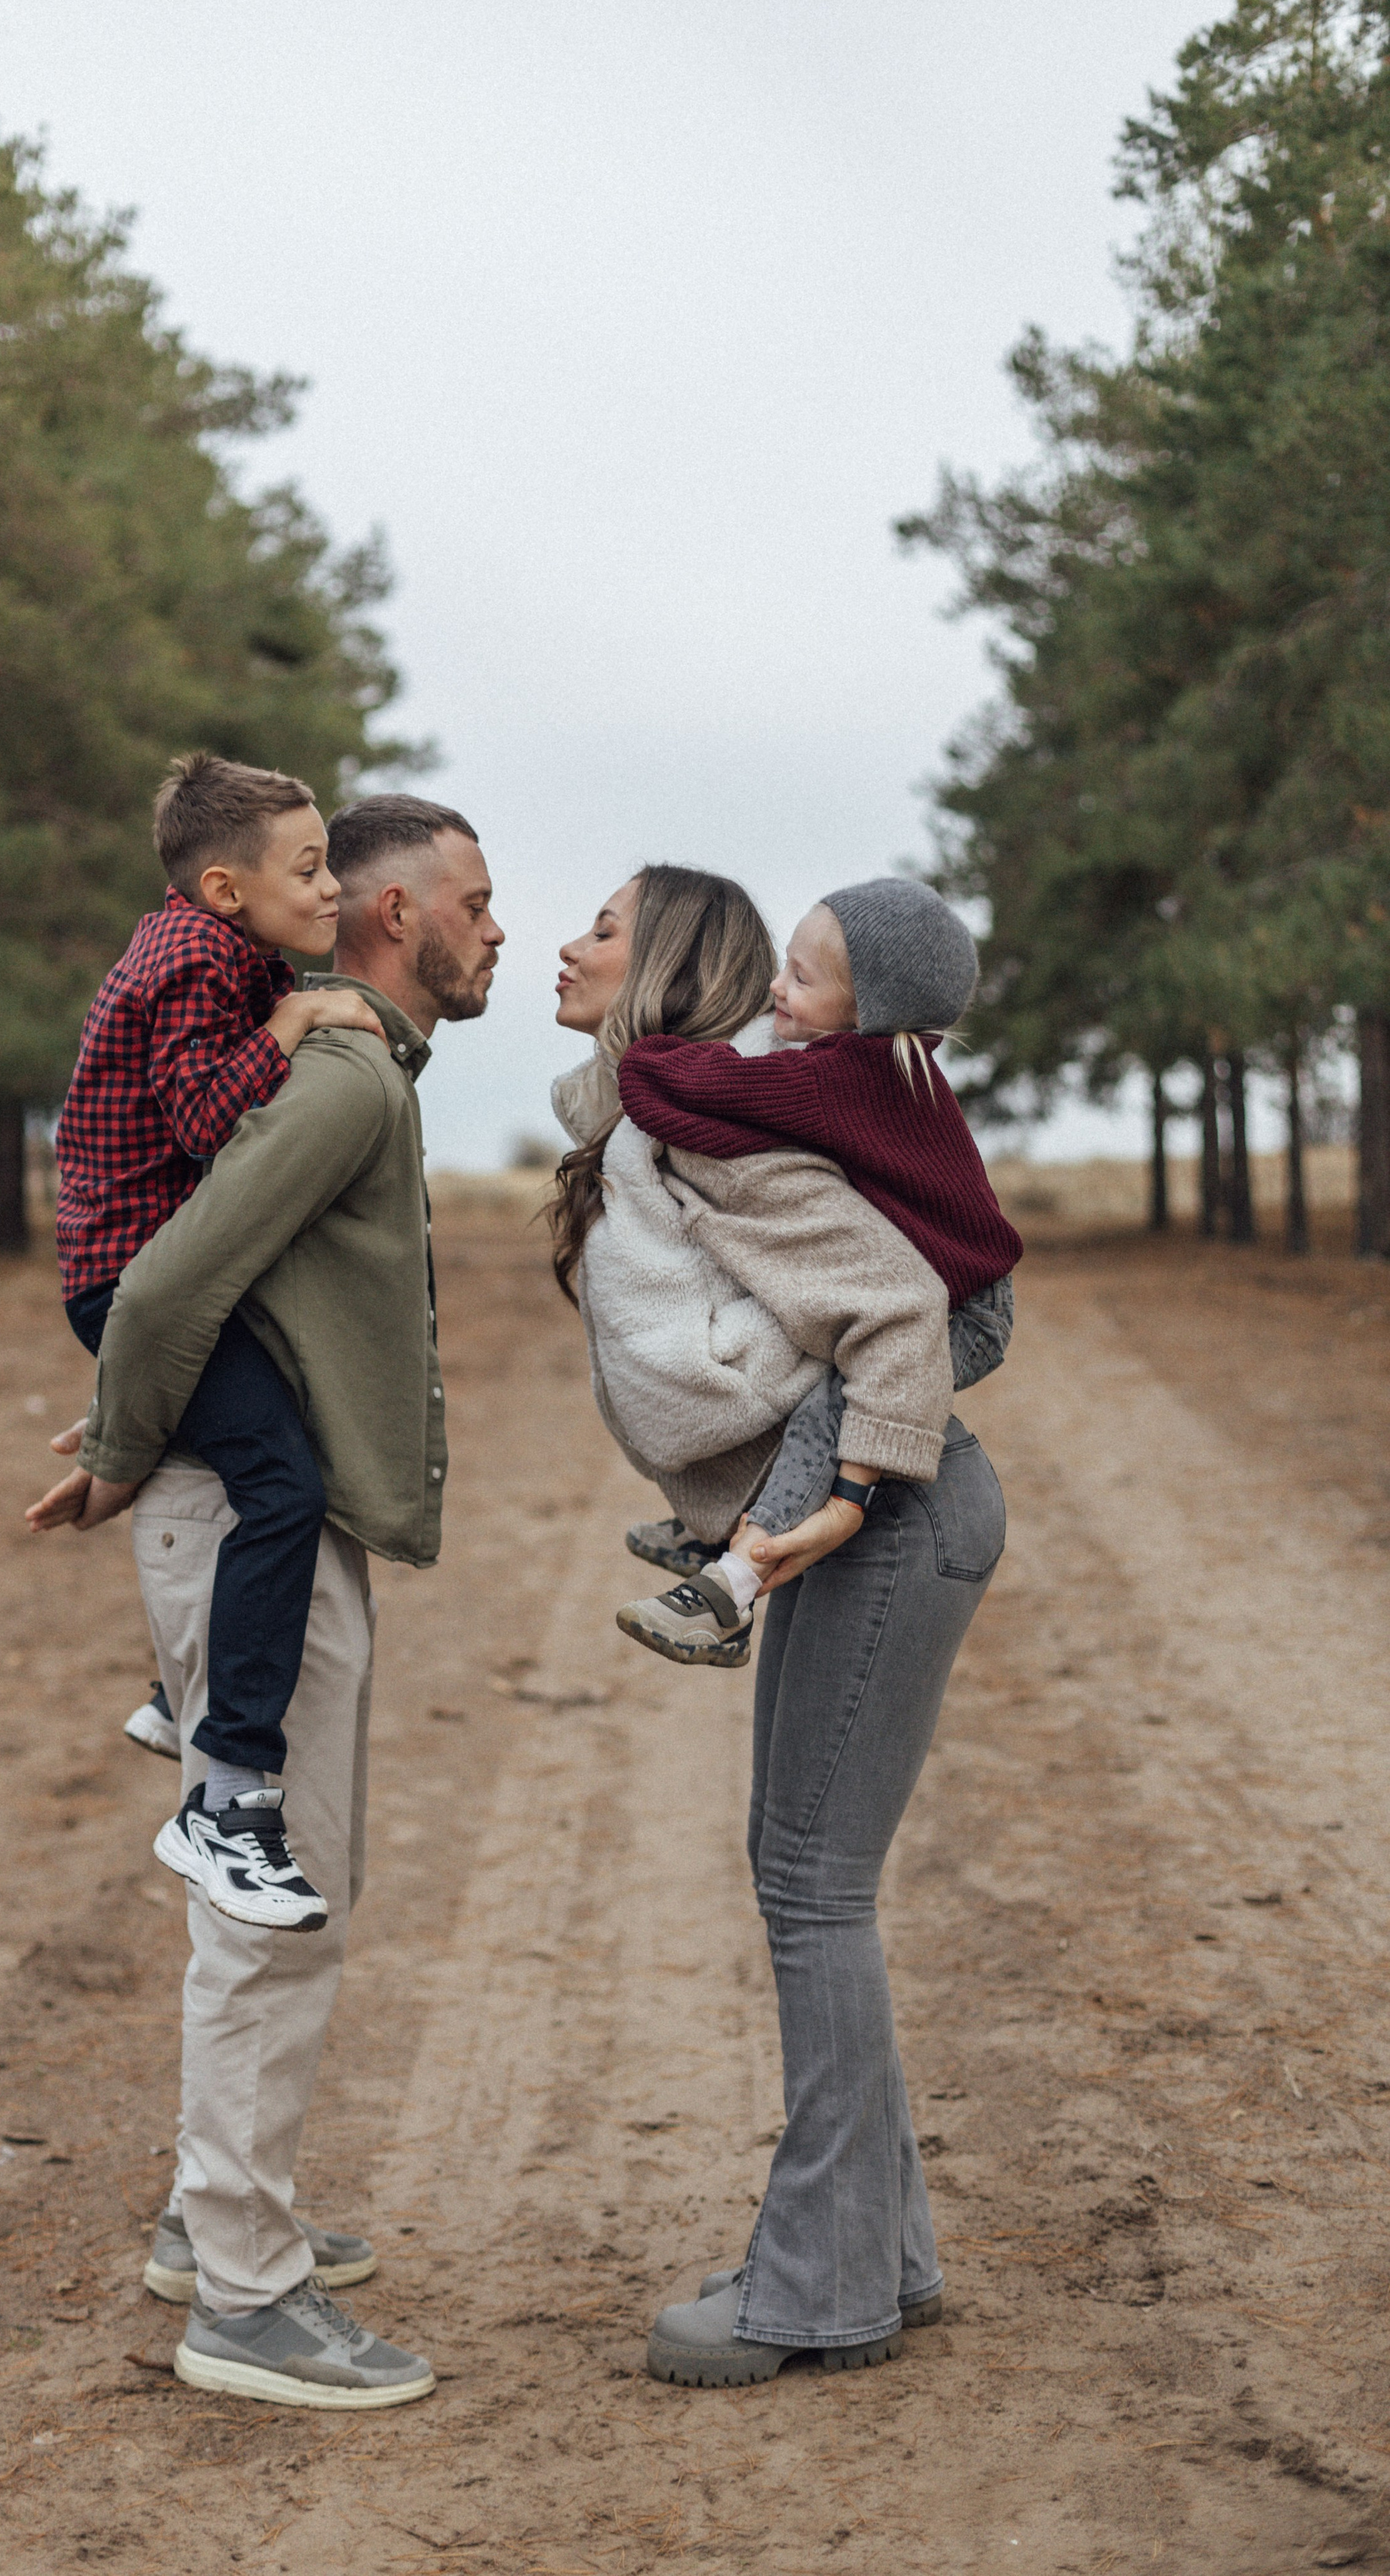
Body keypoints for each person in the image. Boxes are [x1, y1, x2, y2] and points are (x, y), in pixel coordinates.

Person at [29, 793, 503, 2412]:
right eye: (474, 900)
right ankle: (241, 2289)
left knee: (272, 1889)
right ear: (388, 917)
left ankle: (204, 2219)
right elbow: (158, 1283)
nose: (497, 927)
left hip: (240, 1510)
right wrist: (117, 1439)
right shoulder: (343, 1070)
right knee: (274, 1895)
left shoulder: (349, 1057)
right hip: (241, 1521)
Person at [550, 862, 1006, 2387]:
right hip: (865, 1530)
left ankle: (816, 2288)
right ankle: (881, 2247)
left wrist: (846, 1487)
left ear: (663, 956)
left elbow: (904, 1308)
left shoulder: (736, 1146)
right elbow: (597, 1108)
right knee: (803, 1880)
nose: (567, 940)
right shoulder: (674, 1125)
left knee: (810, 1892)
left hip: (884, 1523)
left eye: (602, 926)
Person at [55, 752, 387, 1929]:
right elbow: (204, 1119)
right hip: (141, 1283)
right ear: (224, 887)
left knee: (273, 1425)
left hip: (156, 1277)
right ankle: (228, 1795)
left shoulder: (212, 947)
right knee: (282, 1486)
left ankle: (172, 1690)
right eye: (307, 871)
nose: (331, 890)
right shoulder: (201, 963)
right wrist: (297, 1017)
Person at [608, 880, 1022, 1665]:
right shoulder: (888, 1067)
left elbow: (676, 1089)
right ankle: (715, 1532)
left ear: (866, 1007)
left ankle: (730, 1586)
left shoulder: (841, 1076)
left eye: (800, 978)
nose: (774, 990)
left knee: (828, 1405)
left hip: (963, 1310)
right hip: (970, 1291)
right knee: (804, 1370)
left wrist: (646, 1042)